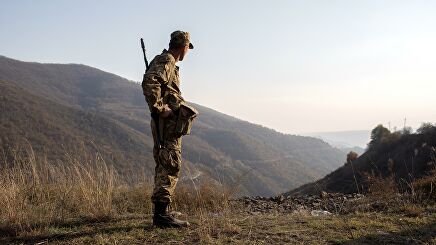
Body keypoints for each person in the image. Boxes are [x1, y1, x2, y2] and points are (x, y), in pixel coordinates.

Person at [141, 30, 194, 228]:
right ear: (184, 46)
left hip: (169, 124)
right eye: (188, 47)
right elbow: (150, 82)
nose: (188, 51)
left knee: (166, 163)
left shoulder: (167, 61)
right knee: (170, 163)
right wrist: (160, 108)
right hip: (167, 124)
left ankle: (162, 211)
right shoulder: (167, 60)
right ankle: (161, 217)